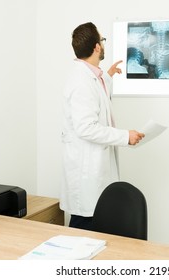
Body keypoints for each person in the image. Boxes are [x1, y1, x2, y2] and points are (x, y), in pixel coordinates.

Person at [61, 22, 145, 231]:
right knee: (83, 232)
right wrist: (125, 136)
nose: (103, 44)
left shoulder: (91, 77)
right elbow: (86, 128)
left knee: (93, 230)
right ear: (97, 46)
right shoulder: (82, 81)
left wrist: (106, 76)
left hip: (92, 171)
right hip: (87, 176)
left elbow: (95, 101)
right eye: (103, 40)